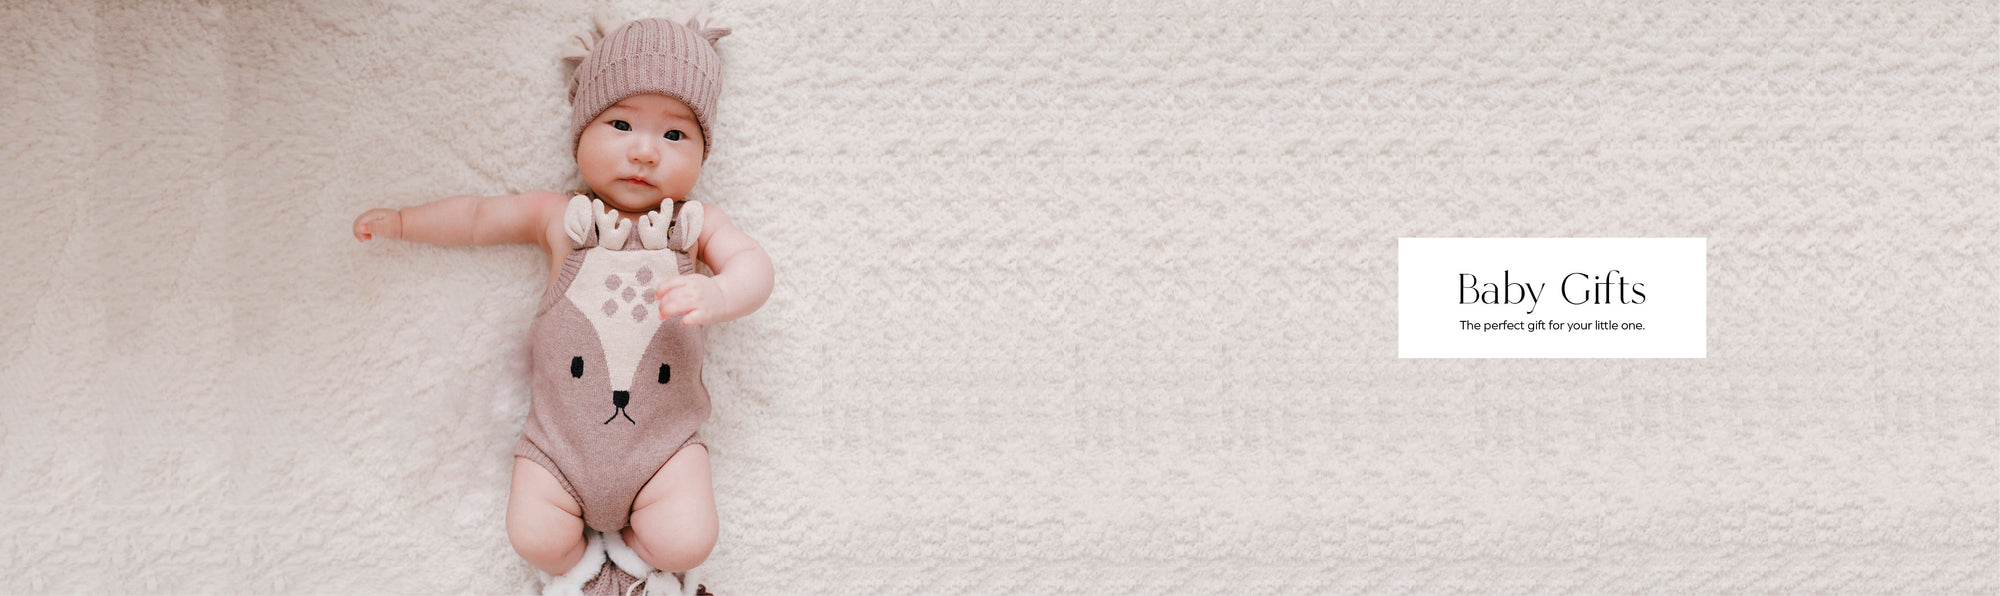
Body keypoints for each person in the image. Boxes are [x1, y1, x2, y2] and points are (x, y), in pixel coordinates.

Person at [351, 14, 770, 595]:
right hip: (558, 450)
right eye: (620, 124)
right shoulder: (559, 217)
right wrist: (404, 222)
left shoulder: (694, 226)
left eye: (675, 135)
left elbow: (754, 267)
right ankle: (582, 571)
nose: (645, 152)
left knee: (688, 540)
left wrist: (720, 292)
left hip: (663, 450)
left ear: (704, 151)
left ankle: (634, 565)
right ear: (582, 130)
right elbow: (477, 217)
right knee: (534, 537)